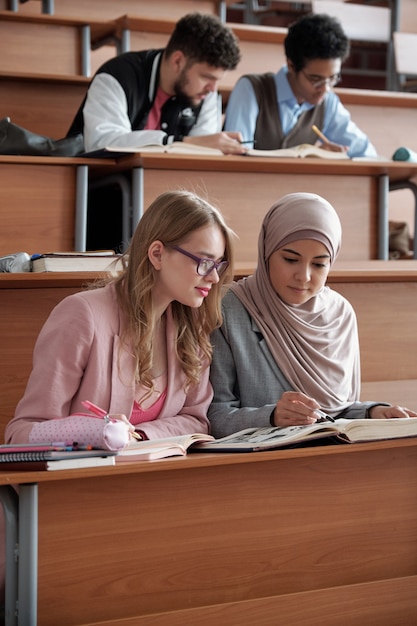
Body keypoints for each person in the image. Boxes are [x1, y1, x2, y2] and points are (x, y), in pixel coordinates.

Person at [6, 189, 235, 446]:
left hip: (157, 478)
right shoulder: (81, 315)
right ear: (157, 254)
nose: (214, 277)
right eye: (204, 262)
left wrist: (141, 436)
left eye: (218, 265)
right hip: (80, 481)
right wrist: (90, 431)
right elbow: (23, 433)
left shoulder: (192, 327)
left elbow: (196, 420)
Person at [208, 192, 417, 438]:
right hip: (256, 466)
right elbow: (214, 417)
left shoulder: (341, 314)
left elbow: (337, 412)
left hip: (327, 461)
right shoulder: (227, 309)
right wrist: (271, 416)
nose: (304, 276)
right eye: (290, 259)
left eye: (319, 264)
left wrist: (373, 412)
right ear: (266, 252)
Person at [67, 12, 246, 156]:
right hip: (100, 190)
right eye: (207, 77)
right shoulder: (117, 76)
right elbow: (103, 143)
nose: (213, 89)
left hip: (165, 189)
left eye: (217, 80)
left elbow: (202, 154)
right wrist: (176, 143)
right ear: (178, 61)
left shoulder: (205, 94)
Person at [223, 13, 377, 159]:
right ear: (291, 65)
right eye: (315, 79)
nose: (325, 89)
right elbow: (236, 153)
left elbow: (366, 153)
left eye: (332, 79)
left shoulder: (328, 103)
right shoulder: (252, 89)